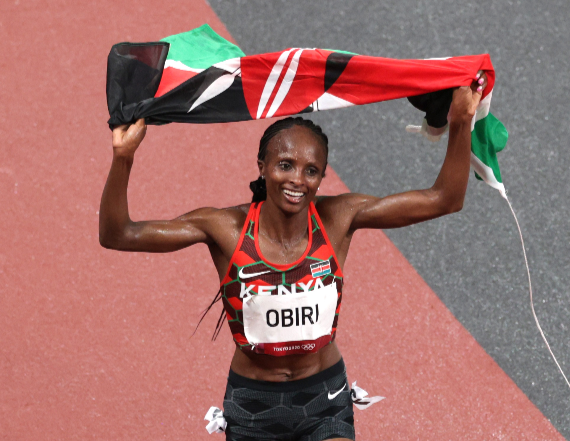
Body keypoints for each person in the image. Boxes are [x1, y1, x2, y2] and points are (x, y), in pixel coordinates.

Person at [99, 73, 487, 441]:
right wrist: (124, 157)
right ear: (263, 167)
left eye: (311, 170)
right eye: (285, 165)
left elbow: (445, 199)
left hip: (324, 397)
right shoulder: (224, 229)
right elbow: (120, 234)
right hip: (254, 404)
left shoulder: (339, 218)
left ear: (321, 178)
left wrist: (462, 121)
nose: (297, 180)